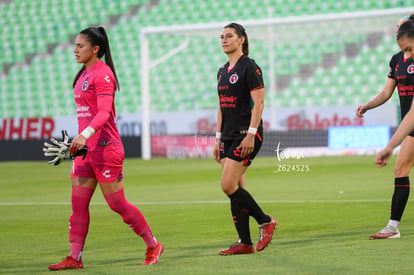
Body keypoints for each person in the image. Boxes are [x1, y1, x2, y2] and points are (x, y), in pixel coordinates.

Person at [48, 26, 163, 270]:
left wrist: (85, 135)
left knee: (117, 204)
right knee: (77, 205)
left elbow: (102, 113)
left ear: (95, 49)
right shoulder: (82, 75)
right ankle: (74, 258)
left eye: (81, 46)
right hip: (85, 152)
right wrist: (78, 142)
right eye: (76, 45)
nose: (75, 50)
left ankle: (153, 244)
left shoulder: (104, 74)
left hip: (106, 148)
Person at [213, 22, 277, 255]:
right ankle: (245, 242)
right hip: (228, 136)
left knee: (226, 185)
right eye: (221, 36)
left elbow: (259, 103)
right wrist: (218, 138)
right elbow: (221, 106)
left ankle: (265, 221)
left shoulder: (250, 67)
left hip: (245, 135)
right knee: (236, 188)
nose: (224, 40)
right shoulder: (222, 71)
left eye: (229, 36)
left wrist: (251, 134)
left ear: (242, 39)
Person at [356, 16, 414, 240]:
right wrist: (368, 106)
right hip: (410, 126)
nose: (406, 53)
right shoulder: (396, 60)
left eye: (408, 47)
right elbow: (387, 93)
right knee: (400, 170)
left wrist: (390, 146)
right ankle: (392, 227)